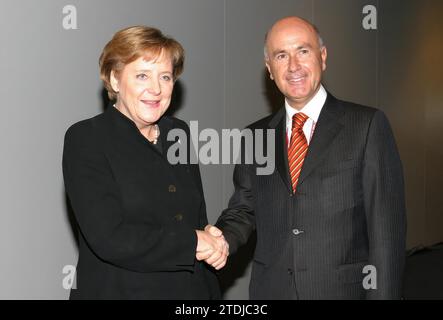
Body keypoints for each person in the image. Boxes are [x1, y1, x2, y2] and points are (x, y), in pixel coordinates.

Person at [211, 16, 407, 299]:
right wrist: (220, 239)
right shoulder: (254, 136)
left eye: (303, 51)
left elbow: (386, 232)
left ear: (323, 57)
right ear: (269, 69)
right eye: (281, 55)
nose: (293, 66)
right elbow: (244, 209)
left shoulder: (367, 126)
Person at [62, 26, 227, 299]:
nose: (156, 89)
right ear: (115, 80)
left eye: (165, 77)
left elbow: (193, 217)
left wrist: (210, 238)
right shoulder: (87, 138)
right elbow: (109, 239)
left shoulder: (178, 133)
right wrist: (194, 241)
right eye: (142, 75)